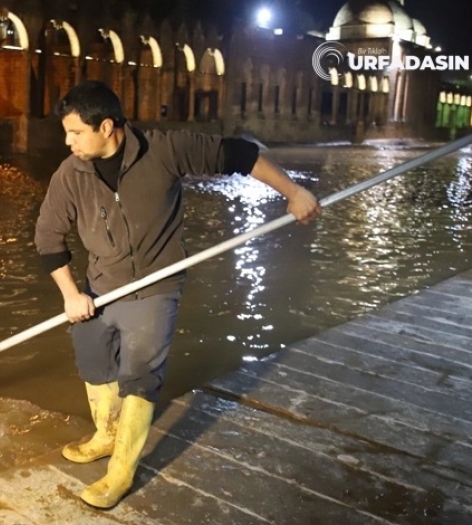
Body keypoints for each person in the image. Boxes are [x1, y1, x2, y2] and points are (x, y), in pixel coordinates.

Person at [34, 80, 320, 509]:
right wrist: (71, 295)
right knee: (93, 362)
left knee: (140, 375)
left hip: (155, 285)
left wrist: (293, 192)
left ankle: (120, 472)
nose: (68, 141)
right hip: (100, 286)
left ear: (106, 126)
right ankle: (106, 435)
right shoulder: (70, 173)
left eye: (75, 132)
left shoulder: (165, 149)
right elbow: (48, 237)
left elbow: (240, 155)